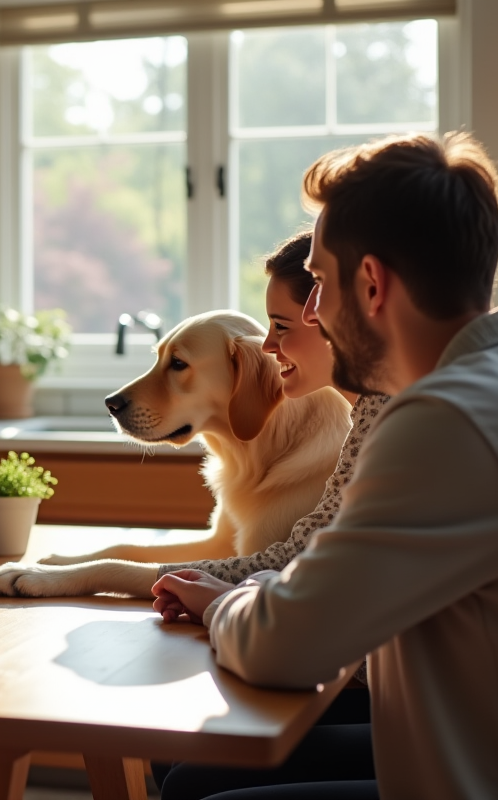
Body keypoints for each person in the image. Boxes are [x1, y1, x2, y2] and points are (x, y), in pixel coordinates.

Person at [152, 132, 498, 800]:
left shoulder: (445, 422)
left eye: (320, 283)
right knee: (197, 772)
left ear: (372, 283)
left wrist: (228, 604)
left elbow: (285, 648)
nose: (311, 312)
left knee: (198, 794)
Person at [152, 230, 384, 798]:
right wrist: (218, 587)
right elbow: (306, 557)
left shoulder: (417, 424)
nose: (269, 345)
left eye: (283, 325)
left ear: (370, 296)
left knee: (189, 784)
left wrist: (224, 601)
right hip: (426, 709)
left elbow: (295, 635)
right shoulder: (378, 410)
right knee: (174, 759)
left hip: (469, 750)